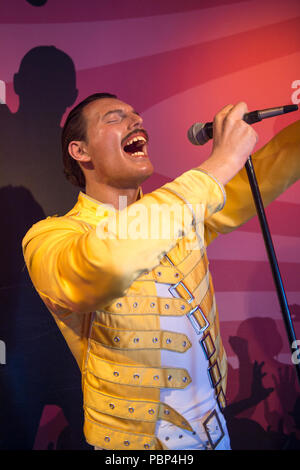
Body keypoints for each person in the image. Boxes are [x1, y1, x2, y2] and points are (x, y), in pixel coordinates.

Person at [22, 92, 300, 450]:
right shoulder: (51, 238)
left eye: (136, 115)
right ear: (81, 151)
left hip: (217, 437)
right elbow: (105, 263)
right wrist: (219, 163)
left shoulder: (181, 216)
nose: (135, 120)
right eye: (114, 118)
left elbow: (261, 175)